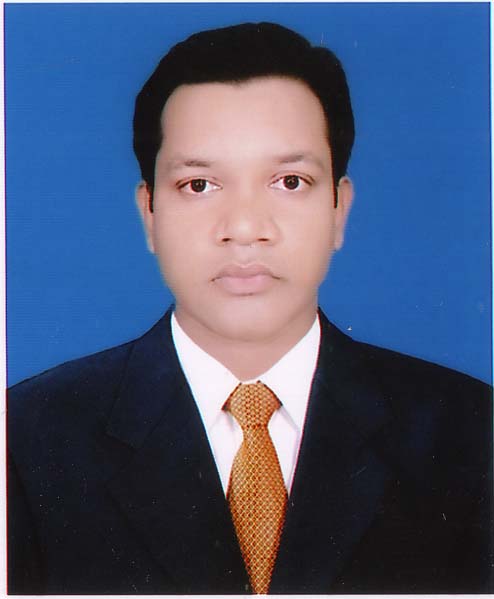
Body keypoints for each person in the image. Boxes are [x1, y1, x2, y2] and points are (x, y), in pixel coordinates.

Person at [8, 22, 492, 595]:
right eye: (199, 185)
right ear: (149, 213)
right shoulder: (24, 440)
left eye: (289, 181)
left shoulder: (471, 432)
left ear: (339, 210)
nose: (244, 228)